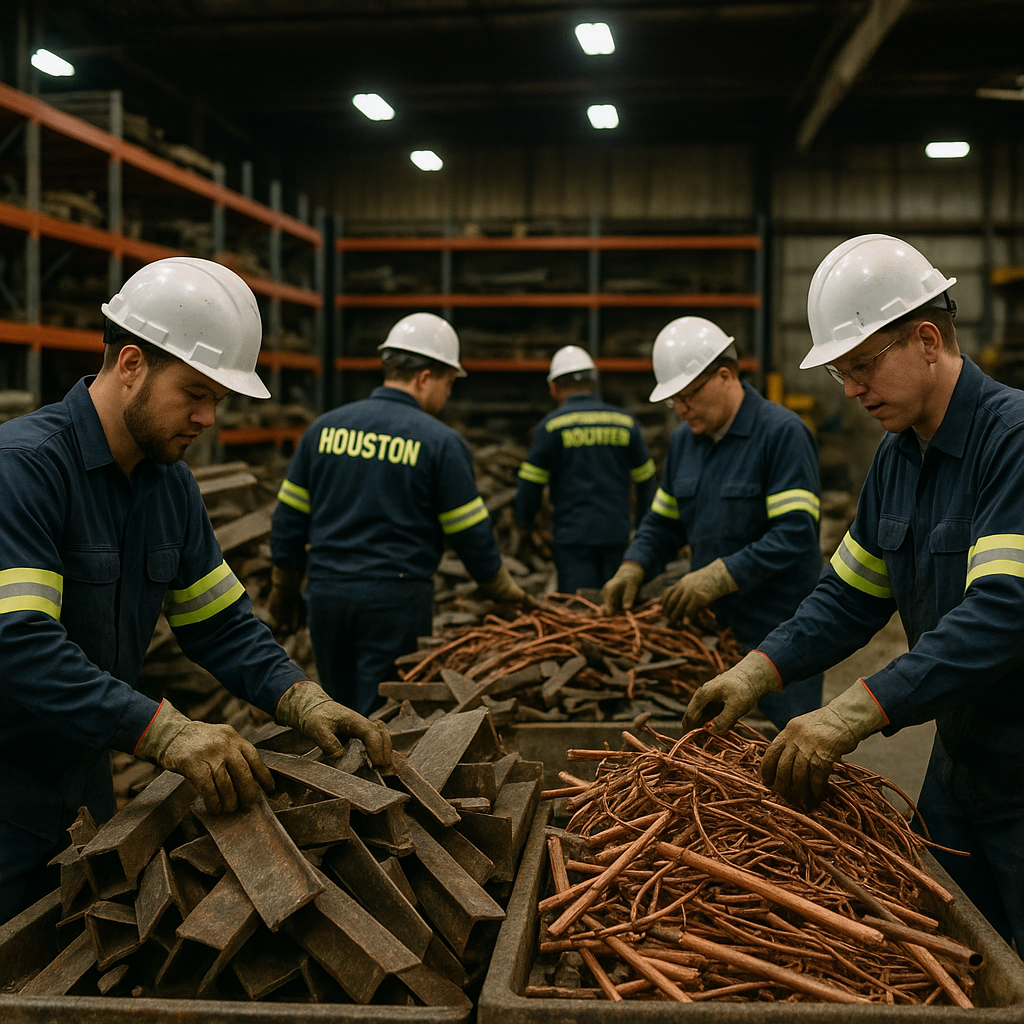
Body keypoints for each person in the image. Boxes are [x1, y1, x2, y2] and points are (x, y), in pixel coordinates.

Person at [0, 257, 391, 925]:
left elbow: (219, 623)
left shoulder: (169, 487)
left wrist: (298, 696)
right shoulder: (24, 471)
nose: (208, 417)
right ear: (131, 364)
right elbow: (21, 644)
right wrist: (164, 731)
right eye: (196, 393)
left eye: (219, 400)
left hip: (82, 779)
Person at [684, 234, 1024, 953]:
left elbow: (1003, 611)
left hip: (1021, 770)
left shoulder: (1012, 442)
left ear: (927, 341)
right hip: (960, 764)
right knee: (950, 951)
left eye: (863, 365)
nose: (850, 389)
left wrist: (854, 710)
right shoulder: (897, 460)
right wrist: (758, 669)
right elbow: (847, 596)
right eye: (843, 371)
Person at [269, 312, 532, 717]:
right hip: (394, 600)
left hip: (327, 594)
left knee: (335, 709)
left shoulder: (324, 429)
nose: (448, 395)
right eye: (448, 383)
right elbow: (471, 535)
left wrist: (284, 590)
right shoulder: (440, 442)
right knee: (385, 716)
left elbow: (288, 520)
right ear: (425, 378)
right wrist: (503, 590)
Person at [602, 316, 824, 729]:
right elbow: (663, 522)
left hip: (780, 637)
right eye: (674, 400)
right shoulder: (684, 442)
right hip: (712, 638)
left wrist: (720, 575)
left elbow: (795, 535)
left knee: (780, 747)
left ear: (725, 376)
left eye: (687, 396)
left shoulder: (782, 434)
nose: (681, 409)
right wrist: (634, 564)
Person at [513, 345, 656, 594]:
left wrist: (523, 523)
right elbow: (647, 481)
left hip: (573, 538)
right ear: (593, 381)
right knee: (616, 605)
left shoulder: (551, 427)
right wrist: (643, 529)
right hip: (617, 535)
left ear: (553, 387)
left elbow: (530, 484)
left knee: (578, 608)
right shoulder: (625, 423)